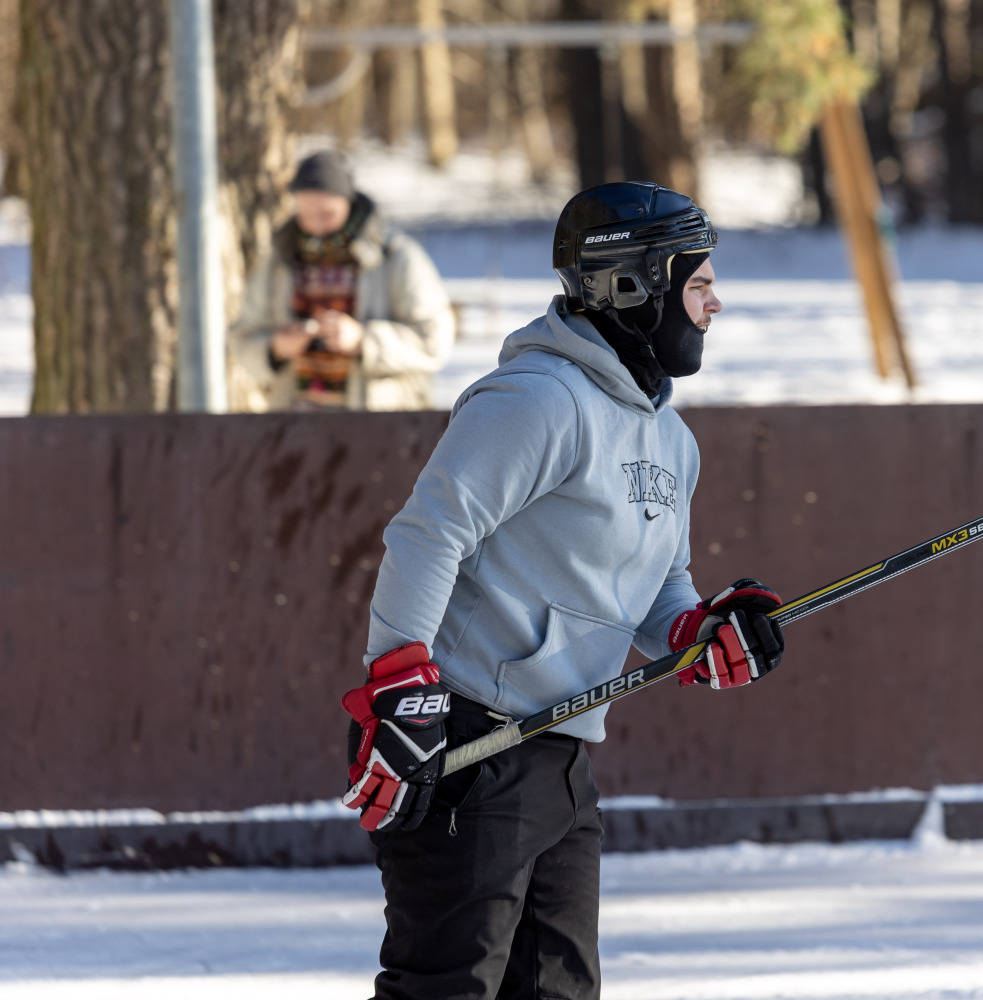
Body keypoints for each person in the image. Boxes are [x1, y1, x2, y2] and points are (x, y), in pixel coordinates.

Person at [339, 182, 788, 1000]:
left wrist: (700, 632)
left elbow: (660, 588)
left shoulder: (671, 439)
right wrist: (400, 692)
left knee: (560, 991)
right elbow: (429, 532)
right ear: (634, 286)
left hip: (561, 752)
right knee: (447, 989)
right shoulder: (538, 400)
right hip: (468, 743)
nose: (714, 304)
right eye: (697, 284)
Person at [230, 151, 454, 411]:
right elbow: (242, 336)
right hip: (295, 423)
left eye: (327, 213)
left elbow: (435, 341)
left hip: (383, 424)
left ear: (347, 203)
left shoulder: (396, 256)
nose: (317, 225)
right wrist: (275, 348)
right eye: (306, 214)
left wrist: (364, 340)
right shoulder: (278, 260)